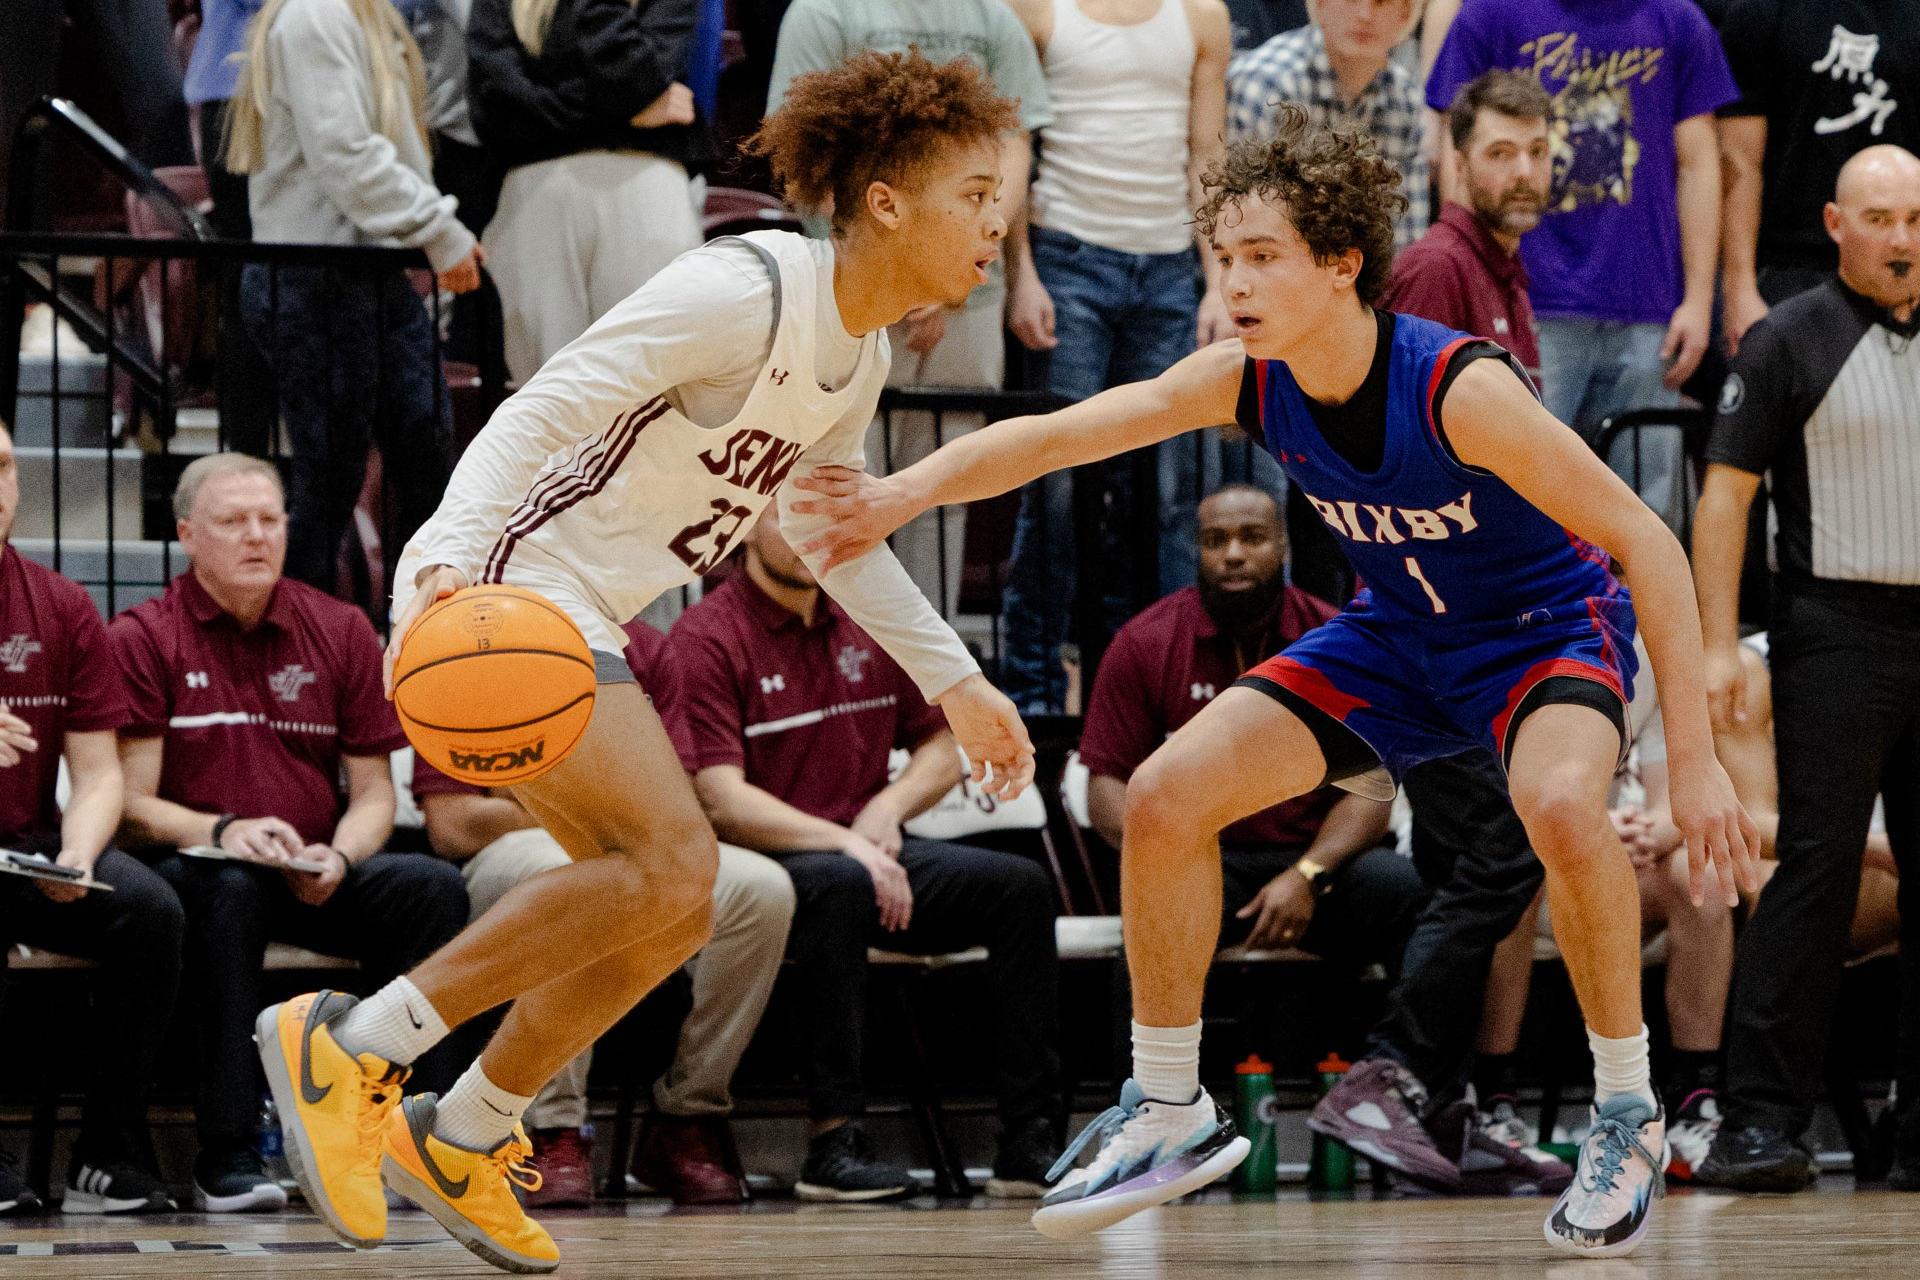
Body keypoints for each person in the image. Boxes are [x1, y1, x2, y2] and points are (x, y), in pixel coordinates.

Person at [792, 109, 1757, 1255]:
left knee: (1556, 806)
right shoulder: (1250, 380)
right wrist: (902, 496)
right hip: (1398, 633)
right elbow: (1061, 435)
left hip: (1541, 627)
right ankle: (1166, 1104)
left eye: (1263, 258)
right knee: (1162, 793)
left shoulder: (1457, 388)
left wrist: (1691, 768)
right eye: (1226, 257)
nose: (1236, 282)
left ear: (1342, 263)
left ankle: (1627, 1107)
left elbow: (1648, 539)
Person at [254, 50, 1033, 1276]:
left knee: (671, 906)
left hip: (579, 616)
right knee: (679, 861)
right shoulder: (749, 285)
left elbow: (840, 543)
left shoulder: (860, 357)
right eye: (978, 193)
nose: (1001, 218)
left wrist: (955, 679)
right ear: (887, 199)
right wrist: (448, 567)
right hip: (500, 588)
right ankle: (351, 1043)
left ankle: (467, 1127)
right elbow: (546, 402)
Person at [110, 453, 470, 1215]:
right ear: (186, 535)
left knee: (433, 888)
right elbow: (134, 804)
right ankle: (227, 1154)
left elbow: (372, 793)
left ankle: (418, 1134)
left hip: (314, 866)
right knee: (229, 891)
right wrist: (225, 829)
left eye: (270, 519)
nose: (257, 536)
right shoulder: (145, 635)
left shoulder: (337, 627)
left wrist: (340, 854)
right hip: (205, 864)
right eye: (233, 521)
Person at [669, 511, 1062, 1200]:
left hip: (874, 850)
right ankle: (834, 1138)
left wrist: (886, 808)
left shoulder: (868, 613)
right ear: (746, 525)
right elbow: (722, 800)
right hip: (772, 865)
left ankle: (1027, 1140)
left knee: (1019, 887)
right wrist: (851, 840)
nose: (802, 531)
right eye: (783, 515)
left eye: (810, 516)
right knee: (839, 884)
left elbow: (945, 744)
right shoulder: (706, 636)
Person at [1691, 144, 1920, 1194]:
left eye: (1916, 217)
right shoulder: (1789, 338)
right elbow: (1725, 498)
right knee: (1817, 873)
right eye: (1880, 217)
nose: (1902, 238)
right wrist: (1713, 641)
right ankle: (1759, 1121)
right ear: (1835, 224)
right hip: (1835, 626)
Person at [413, 620, 796, 1208]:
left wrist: (617, 826)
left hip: (629, 846)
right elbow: (454, 823)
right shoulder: (468, 636)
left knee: (760, 890)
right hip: (508, 853)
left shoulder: (643, 642)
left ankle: (686, 1118)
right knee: (577, 881)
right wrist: (588, 815)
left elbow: (679, 805)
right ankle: (549, 1127)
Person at [766, 0, 1053, 616]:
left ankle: (928, 675)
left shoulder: (993, 18)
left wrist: (983, 262)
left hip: (975, 292)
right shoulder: (822, 12)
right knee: (842, 481)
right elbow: (807, 160)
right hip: (853, 292)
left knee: (943, 490)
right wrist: (897, 271)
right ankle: (841, 663)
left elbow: (1013, 148)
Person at [998, 0, 1238, 712]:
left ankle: (1164, 697)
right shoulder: (1040, 10)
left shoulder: (1204, 15)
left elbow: (1208, 153)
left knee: (1167, 496)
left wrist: (1220, 277)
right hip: (1067, 257)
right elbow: (1017, 141)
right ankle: (1035, 698)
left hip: (1168, 269)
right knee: (1056, 486)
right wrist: (1023, 274)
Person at [1078, 485, 1423, 970]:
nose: (1233, 555)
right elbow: (1107, 790)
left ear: (1284, 545)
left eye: (1253, 538)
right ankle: (1146, 1050)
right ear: (1196, 549)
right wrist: (1177, 860)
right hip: (1198, 859)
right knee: (1155, 906)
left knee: (1398, 888)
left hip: (1313, 859)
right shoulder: (1144, 643)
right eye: (1215, 541)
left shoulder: (1336, 642)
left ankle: (1391, 1048)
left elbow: (1369, 793)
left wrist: (1306, 876)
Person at [223, 0, 482, 590]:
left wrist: (430, 232)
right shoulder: (316, 15)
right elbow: (347, 154)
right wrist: (441, 232)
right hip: (316, 276)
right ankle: (305, 657)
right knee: (331, 482)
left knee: (425, 462)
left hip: (365, 273)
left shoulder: (362, 16)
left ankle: (419, 630)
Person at [0, 423, 184, 1217]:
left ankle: (107, 1151)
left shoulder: (60, 602)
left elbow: (101, 772)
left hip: (26, 848)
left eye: (4, 465)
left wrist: (77, 851)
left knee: (149, 911)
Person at [1425, 0, 1737, 445]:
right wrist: (1477, 290)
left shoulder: (1678, 19)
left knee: (1641, 506)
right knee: (1523, 492)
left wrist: (1700, 299)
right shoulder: (1488, 14)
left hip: (1648, 309)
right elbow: (1462, 161)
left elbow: (1700, 166)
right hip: (1527, 302)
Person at [468, 0, 712, 385]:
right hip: (537, 199)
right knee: (542, 396)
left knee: (650, 391)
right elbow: (497, 108)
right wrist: (624, 117)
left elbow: (637, 76)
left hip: (645, 191)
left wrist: (566, 112)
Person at [1717, 0, 1920, 352]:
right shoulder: (1761, 11)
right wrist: (1739, 288)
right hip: (1787, 268)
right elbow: (1739, 163)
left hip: (1902, 263)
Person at [1379, 68, 1551, 385]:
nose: (1525, 172)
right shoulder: (1437, 269)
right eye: (1501, 153)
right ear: (1460, 166)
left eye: (1538, 151)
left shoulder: (1505, 269)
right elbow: (1404, 424)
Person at [1227, 0, 1430, 251]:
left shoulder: (1405, 97)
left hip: (1356, 275)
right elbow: (1241, 221)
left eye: (1381, 2)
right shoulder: (1265, 84)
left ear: (1405, 14)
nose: (1365, 15)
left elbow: (1405, 234)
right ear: (1320, 4)